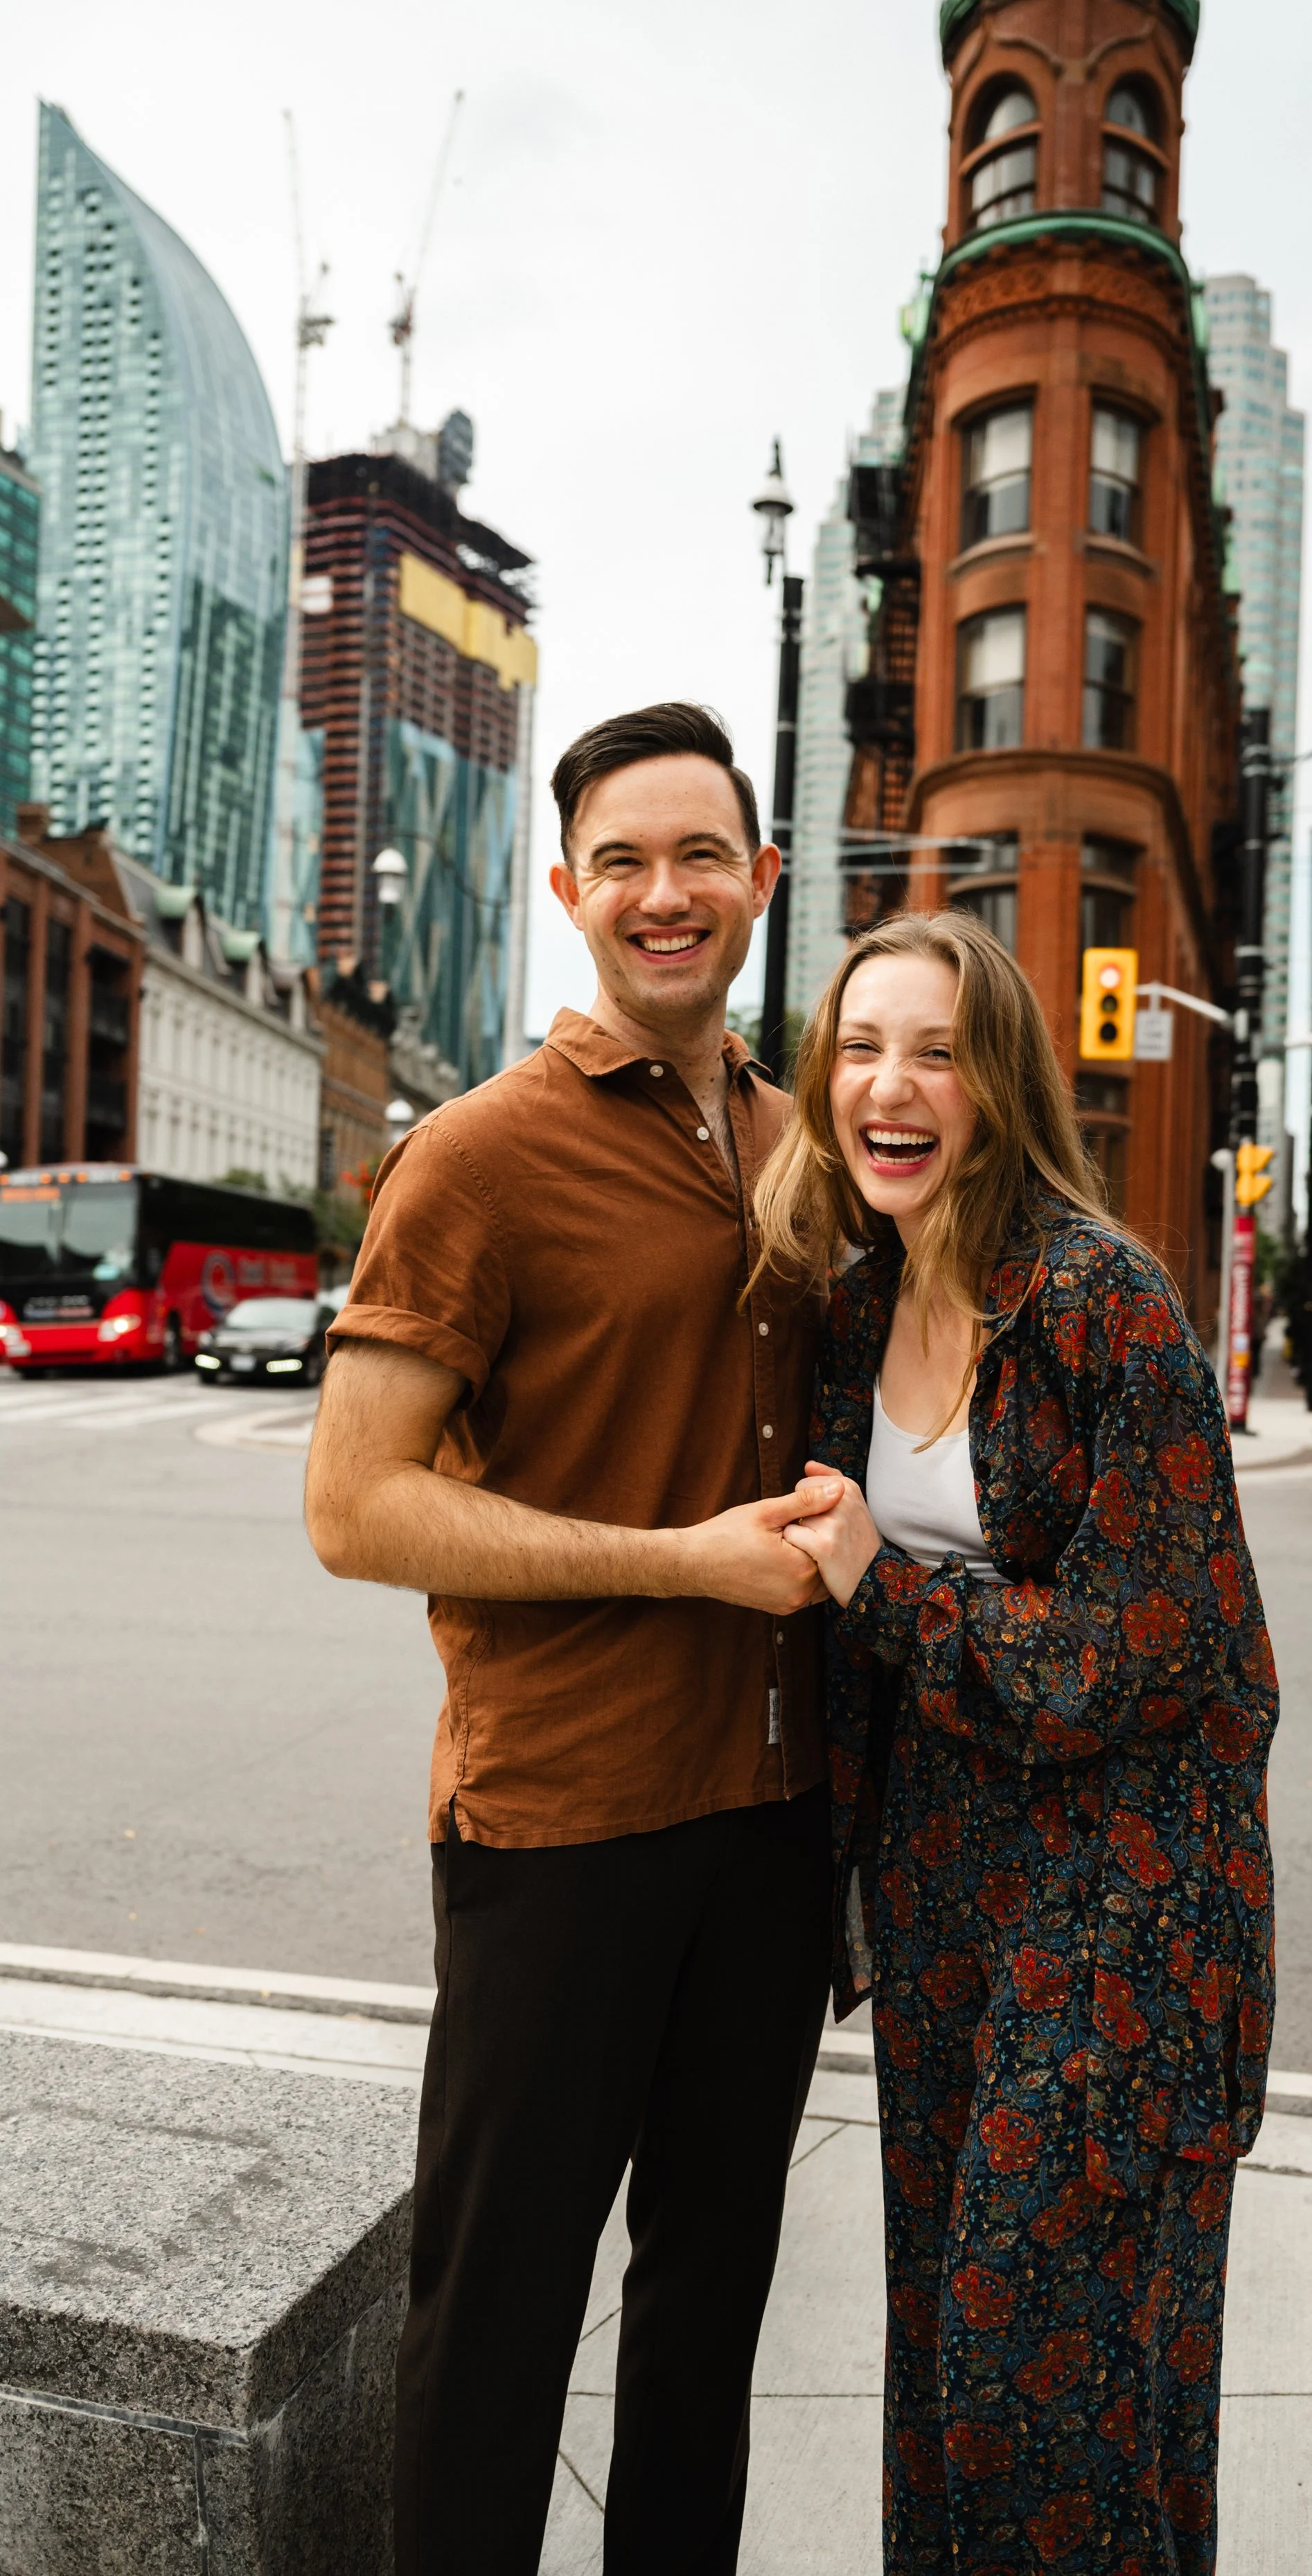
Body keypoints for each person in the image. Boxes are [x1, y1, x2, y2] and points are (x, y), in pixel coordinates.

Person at [304, 701, 848, 2576]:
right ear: (565, 890)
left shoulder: (806, 1141)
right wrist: (683, 1562)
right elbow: (353, 1503)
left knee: (706, 2318)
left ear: (761, 879)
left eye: (701, 852)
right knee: (499, 2320)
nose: (663, 890)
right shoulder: (476, 1154)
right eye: (621, 857)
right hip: (560, 1828)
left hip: (778, 1824)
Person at [753, 910, 1278, 2576]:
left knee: (1056, 2368)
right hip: (939, 1897)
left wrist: (883, 1590)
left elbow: (1131, 1657)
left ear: (1000, 1083)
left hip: (1125, 1904)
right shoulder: (855, 1307)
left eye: (936, 1050)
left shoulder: (1105, 1307)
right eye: (857, 1047)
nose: (889, 1086)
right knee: (942, 2352)